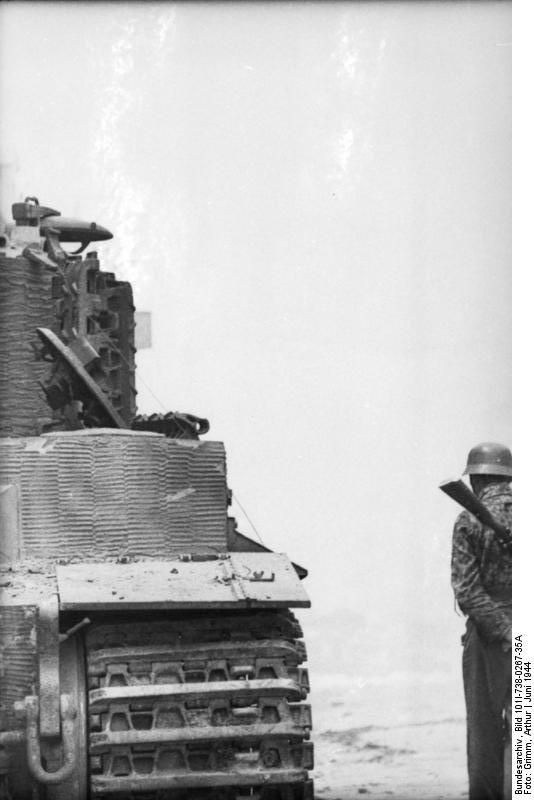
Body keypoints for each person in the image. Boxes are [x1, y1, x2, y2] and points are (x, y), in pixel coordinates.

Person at [451, 442, 512, 800]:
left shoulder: (468, 519)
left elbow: (468, 592)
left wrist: (504, 631)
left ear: (476, 479)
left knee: (485, 731)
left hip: (489, 638)